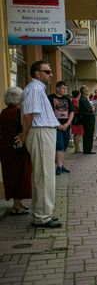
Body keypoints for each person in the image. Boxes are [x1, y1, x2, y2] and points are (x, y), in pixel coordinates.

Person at [21, 60, 62, 228]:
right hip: (40, 132)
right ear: (38, 73)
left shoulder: (37, 89)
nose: (51, 74)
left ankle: (41, 213)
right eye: (47, 71)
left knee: (43, 174)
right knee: (44, 175)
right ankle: (42, 216)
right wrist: (24, 136)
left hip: (43, 132)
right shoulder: (34, 89)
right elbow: (28, 115)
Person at [0, 87, 32, 215]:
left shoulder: (3, 112)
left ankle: (18, 203)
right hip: (18, 148)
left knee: (11, 175)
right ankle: (17, 206)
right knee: (21, 176)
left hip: (5, 148)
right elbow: (24, 128)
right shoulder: (19, 111)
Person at [47, 81, 74, 175]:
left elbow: (71, 112)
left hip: (66, 126)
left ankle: (61, 165)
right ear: (58, 88)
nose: (65, 90)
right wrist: (58, 125)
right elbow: (48, 112)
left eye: (66, 89)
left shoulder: (67, 99)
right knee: (60, 145)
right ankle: (59, 166)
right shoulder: (50, 98)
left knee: (65, 145)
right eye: (63, 88)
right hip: (55, 126)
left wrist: (67, 124)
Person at [79, 85, 96, 154]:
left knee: (89, 133)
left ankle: (88, 149)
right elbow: (91, 108)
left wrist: (92, 108)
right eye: (87, 90)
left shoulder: (84, 99)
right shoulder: (83, 99)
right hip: (88, 118)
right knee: (88, 134)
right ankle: (87, 149)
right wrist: (92, 108)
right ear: (84, 91)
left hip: (88, 117)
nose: (88, 91)